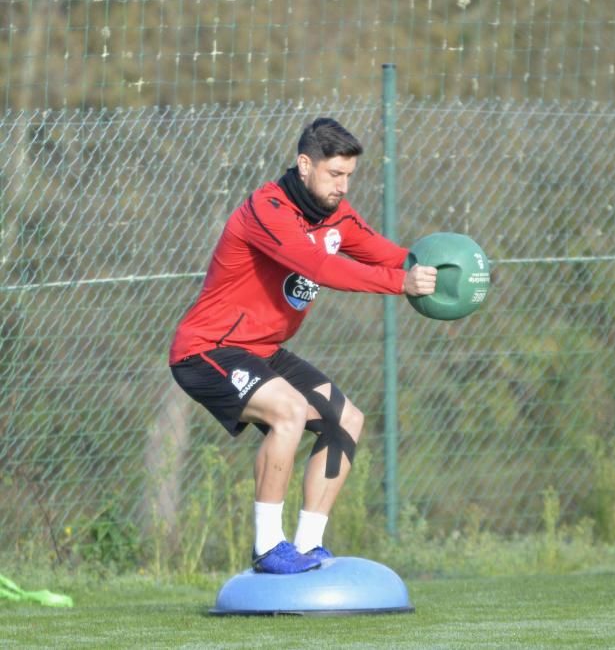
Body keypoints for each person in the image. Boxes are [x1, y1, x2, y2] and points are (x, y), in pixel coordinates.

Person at [169, 118, 437, 574]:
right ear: (304, 164)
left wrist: (444, 268)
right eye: (335, 174)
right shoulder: (266, 211)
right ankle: (268, 547)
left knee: (347, 419)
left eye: (349, 175)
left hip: (263, 349)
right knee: (289, 412)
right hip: (208, 350)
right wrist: (401, 284)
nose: (343, 185)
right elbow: (322, 266)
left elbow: (390, 254)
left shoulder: (336, 214)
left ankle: (308, 546)